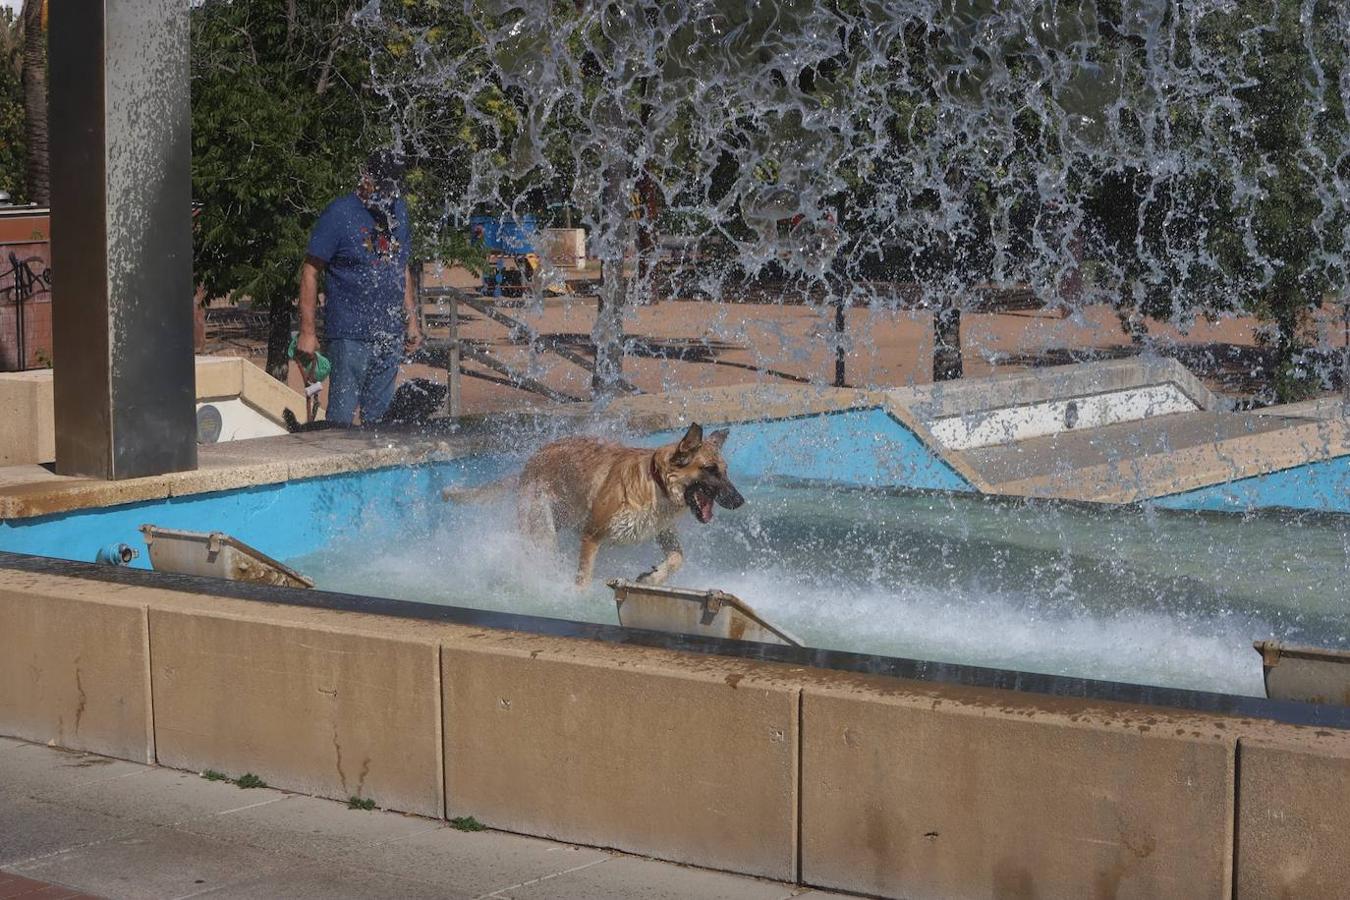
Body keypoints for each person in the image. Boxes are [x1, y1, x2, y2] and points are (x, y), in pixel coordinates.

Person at [296, 151, 423, 425]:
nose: (388, 194)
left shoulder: (398, 211)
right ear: (366, 177)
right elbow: (310, 271)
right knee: (341, 418)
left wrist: (411, 320)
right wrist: (307, 332)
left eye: (393, 187)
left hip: (389, 333)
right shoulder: (339, 214)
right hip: (349, 335)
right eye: (383, 186)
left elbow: (401, 267)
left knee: (381, 423)